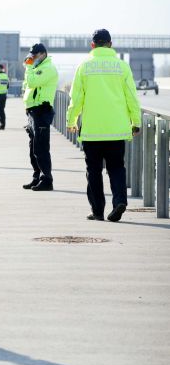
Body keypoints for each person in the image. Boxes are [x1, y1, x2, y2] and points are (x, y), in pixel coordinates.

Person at [66, 29, 141, 222]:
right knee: (116, 168)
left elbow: (76, 98)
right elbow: (131, 97)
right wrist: (136, 122)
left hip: (92, 131)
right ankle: (119, 202)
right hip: (116, 130)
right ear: (110, 44)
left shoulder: (84, 66)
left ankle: (98, 211)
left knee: (94, 171)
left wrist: (71, 121)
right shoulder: (122, 66)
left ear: (92, 45)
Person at [22, 43, 59, 191]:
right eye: (31, 55)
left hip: (41, 111)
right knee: (33, 148)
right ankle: (37, 177)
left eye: (35, 55)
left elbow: (32, 82)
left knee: (41, 148)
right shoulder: (37, 68)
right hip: (33, 111)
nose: (32, 58)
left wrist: (29, 67)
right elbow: (28, 86)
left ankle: (47, 180)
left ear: (43, 54)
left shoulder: (47, 68)